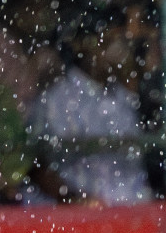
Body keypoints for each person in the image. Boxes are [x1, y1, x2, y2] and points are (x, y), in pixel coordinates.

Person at [29, 22, 153, 205]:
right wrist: (74, 200)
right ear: (82, 46)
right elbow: (38, 167)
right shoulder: (57, 99)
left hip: (133, 211)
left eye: (120, 42)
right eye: (107, 42)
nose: (116, 51)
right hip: (82, 219)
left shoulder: (123, 96)